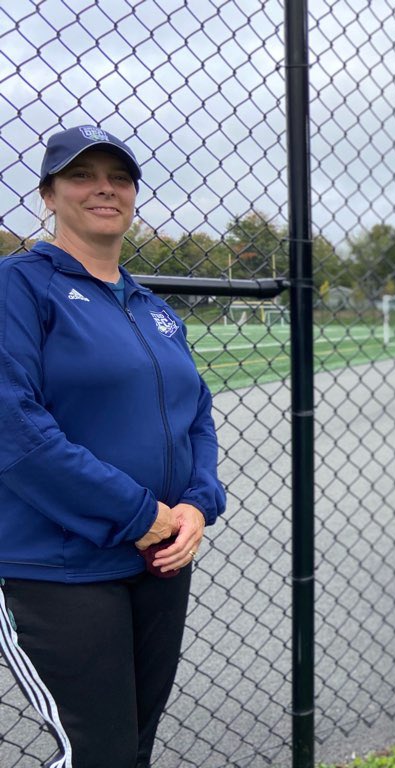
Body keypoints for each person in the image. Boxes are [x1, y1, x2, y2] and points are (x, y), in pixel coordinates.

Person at [0, 125, 226, 767]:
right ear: (48, 195)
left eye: (119, 178)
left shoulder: (152, 307)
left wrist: (198, 504)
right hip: (59, 567)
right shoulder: (18, 286)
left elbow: (196, 412)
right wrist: (137, 513)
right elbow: (13, 426)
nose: (104, 188)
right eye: (81, 175)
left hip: (158, 559)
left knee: (133, 748)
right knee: (98, 754)